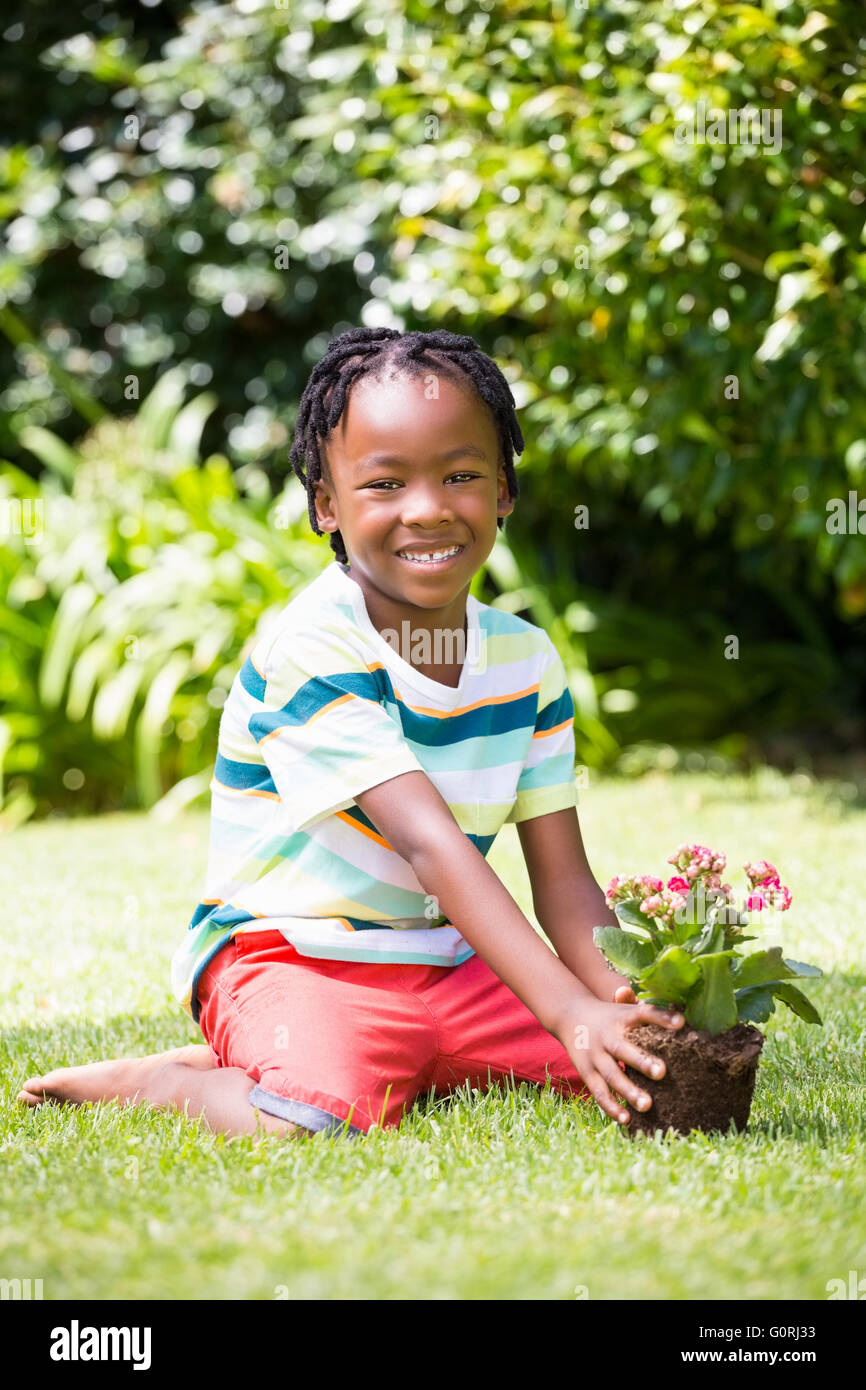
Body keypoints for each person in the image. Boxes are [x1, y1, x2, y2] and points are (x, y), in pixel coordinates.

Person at [18, 326, 683, 1138]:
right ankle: (168, 1083)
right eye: (384, 484)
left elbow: (564, 881)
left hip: (446, 964)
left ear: (505, 488)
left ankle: (403, 1054)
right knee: (305, 1120)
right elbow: (429, 845)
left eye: (463, 474)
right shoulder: (316, 647)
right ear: (326, 505)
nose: (429, 509)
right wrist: (565, 1012)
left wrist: (618, 1006)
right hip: (290, 961)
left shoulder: (526, 662)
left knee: (645, 1071)